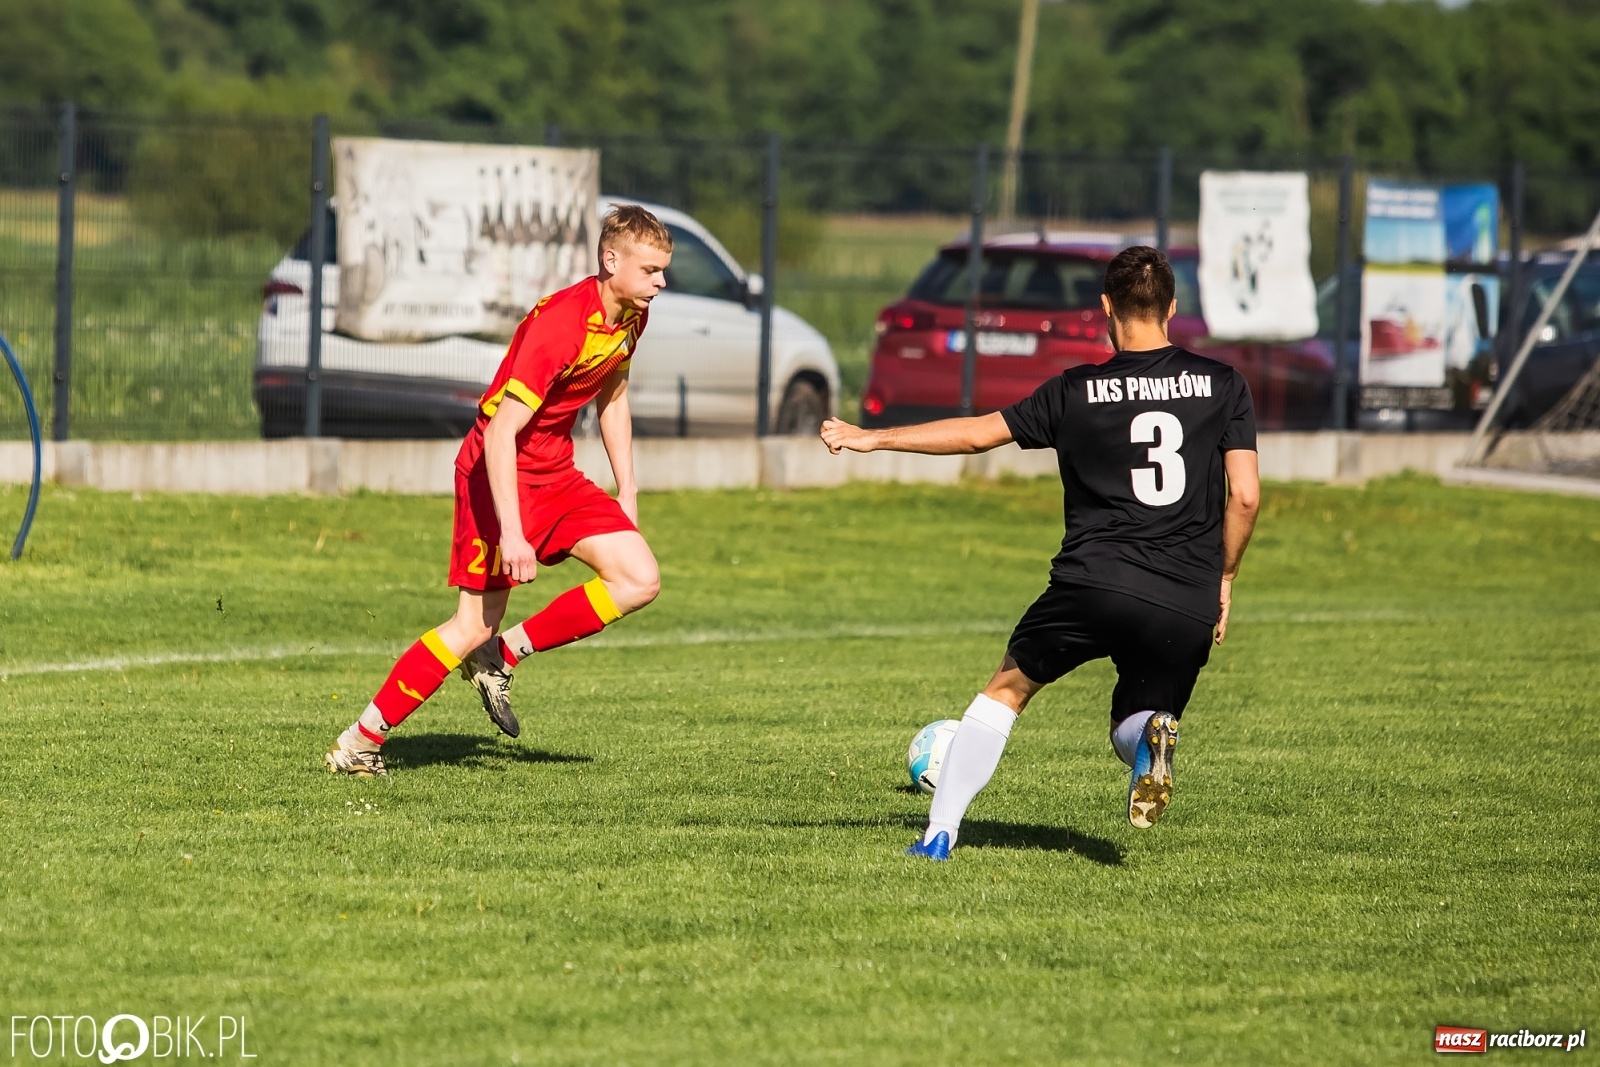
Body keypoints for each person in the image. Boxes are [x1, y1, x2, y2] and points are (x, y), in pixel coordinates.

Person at [820, 245, 1260, 859]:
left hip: (1093, 583)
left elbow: (978, 435)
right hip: (1184, 595)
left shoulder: (1075, 390)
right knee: (1134, 720)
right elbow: (1245, 496)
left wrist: (875, 438)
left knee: (1006, 690)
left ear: (1105, 306)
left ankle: (939, 835)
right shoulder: (1223, 385)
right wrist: (1225, 576)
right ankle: (1150, 741)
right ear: (1172, 308)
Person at [325, 205, 673, 776]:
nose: (660, 283)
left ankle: (504, 655)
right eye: (651, 270)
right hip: (497, 472)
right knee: (470, 625)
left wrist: (627, 489)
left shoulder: (631, 316)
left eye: (663, 271)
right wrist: (512, 534)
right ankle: (359, 743)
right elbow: (500, 434)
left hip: (555, 471)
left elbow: (613, 395)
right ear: (612, 261)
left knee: (639, 578)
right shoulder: (562, 324)